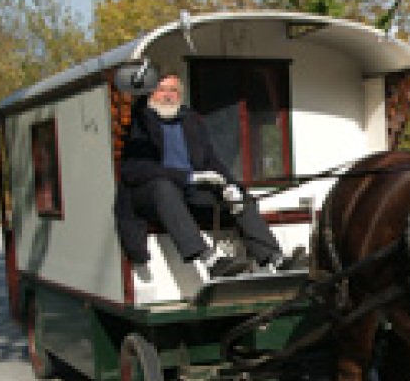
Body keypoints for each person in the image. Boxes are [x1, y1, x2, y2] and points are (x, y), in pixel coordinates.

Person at [115, 72, 285, 278]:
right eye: (162, 90)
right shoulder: (139, 121)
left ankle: (276, 258)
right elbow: (133, 170)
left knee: (241, 197)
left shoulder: (191, 120)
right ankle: (210, 260)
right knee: (164, 187)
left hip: (190, 194)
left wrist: (230, 186)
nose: (168, 95)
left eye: (174, 90)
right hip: (149, 198)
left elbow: (211, 160)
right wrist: (186, 177)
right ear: (151, 93)